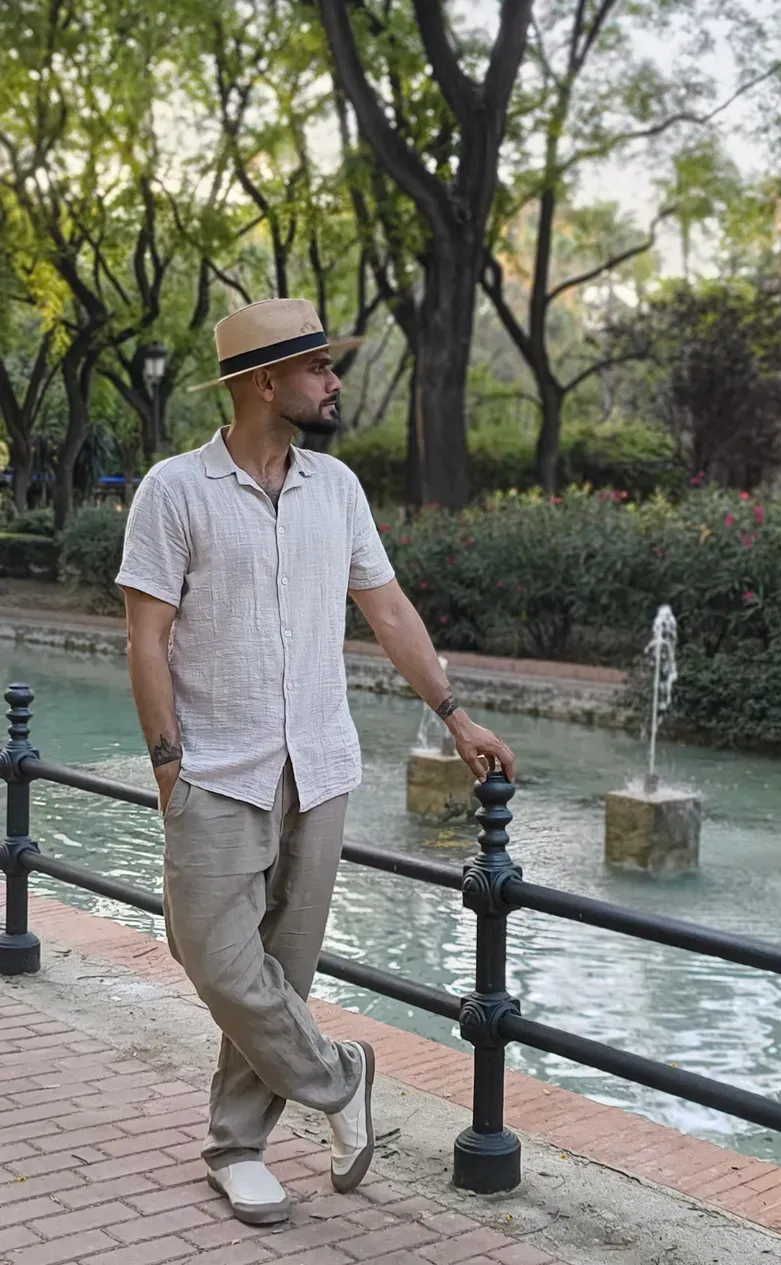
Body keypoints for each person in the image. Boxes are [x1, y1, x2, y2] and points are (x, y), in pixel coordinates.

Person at [116, 297, 515, 1226]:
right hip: (215, 766)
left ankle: (237, 1144)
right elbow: (145, 640)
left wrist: (455, 716)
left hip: (319, 766)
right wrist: (169, 765)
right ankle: (341, 1080)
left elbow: (389, 610)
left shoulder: (337, 490)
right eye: (319, 369)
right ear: (266, 382)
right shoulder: (175, 490)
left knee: (279, 976)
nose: (334, 382)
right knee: (211, 953)